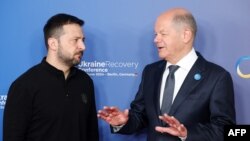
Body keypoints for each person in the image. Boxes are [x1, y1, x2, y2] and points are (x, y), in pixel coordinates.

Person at [98, 7, 236, 141]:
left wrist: (187, 134)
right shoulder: (151, 72)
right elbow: (140, 116)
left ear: (185, 35)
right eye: (155, 34)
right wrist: (123, 122)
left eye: (163, 34)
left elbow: (226, 129)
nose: (156, 39)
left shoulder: (217, 77)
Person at [3, 13, 99, 141]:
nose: (83, 46)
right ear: (53, 44)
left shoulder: (85, 82)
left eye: (83, 40)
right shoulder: (24, 86)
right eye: (75, 40)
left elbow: (92, 134)